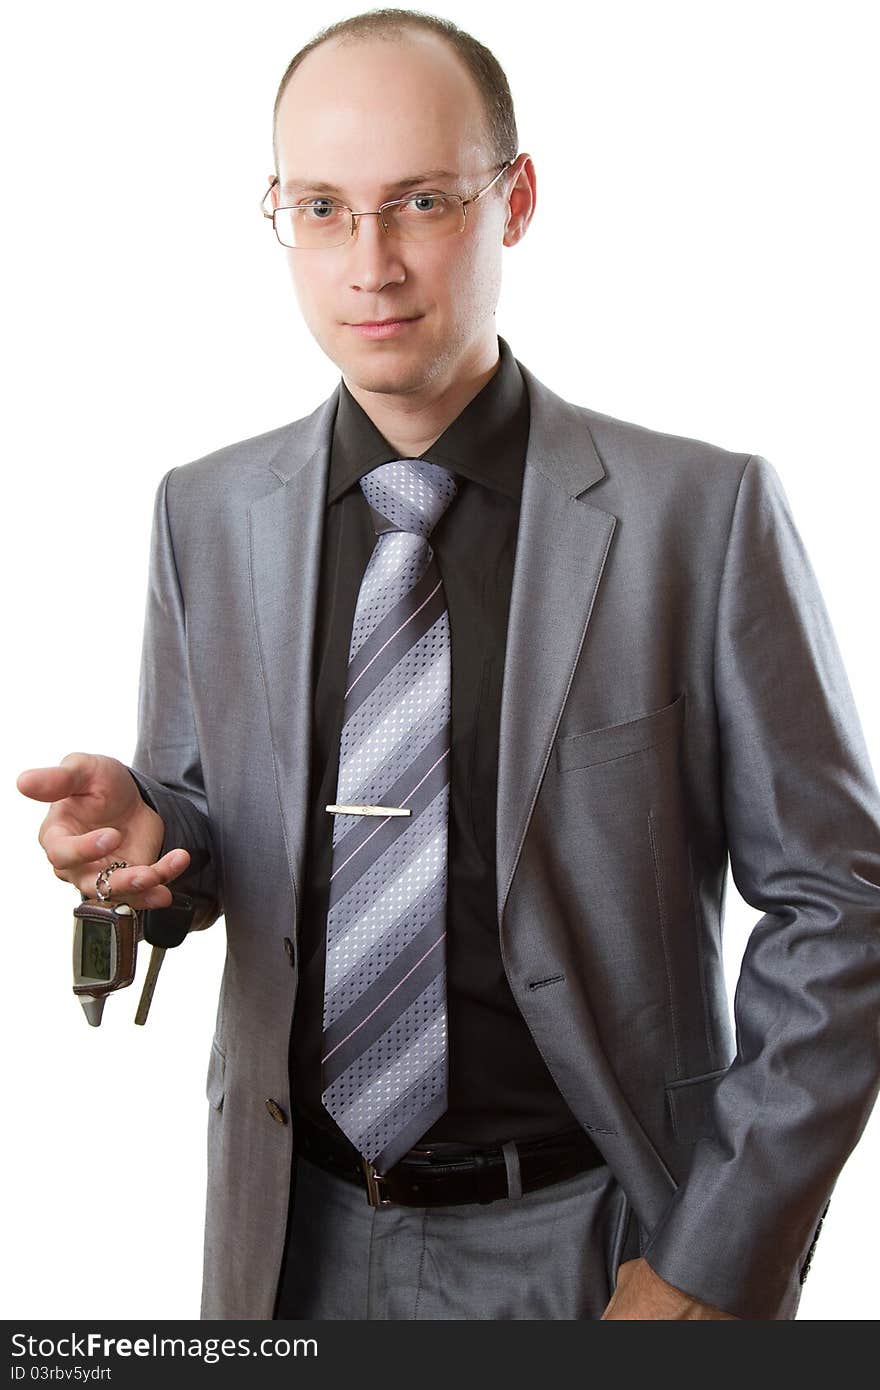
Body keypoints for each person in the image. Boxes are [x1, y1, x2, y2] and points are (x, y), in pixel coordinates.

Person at [17, 9, 880, 1321]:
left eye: (420, 200)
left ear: (514, 198)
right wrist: (151, 839)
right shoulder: (205, 509)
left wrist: (716, 1257)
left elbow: (842, 900)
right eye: (321, 207)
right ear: (279, 216)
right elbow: (208, 816)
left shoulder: (699, 517)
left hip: (597, 1239)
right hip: (284, 1239)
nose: (372, 263)